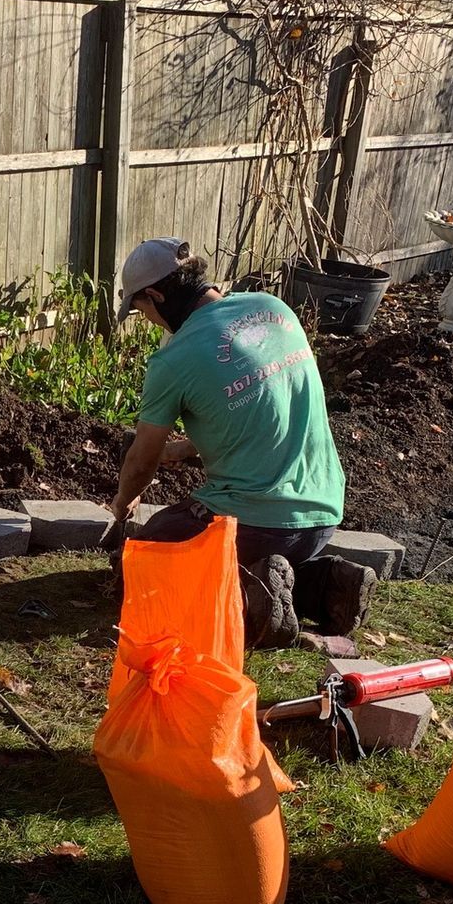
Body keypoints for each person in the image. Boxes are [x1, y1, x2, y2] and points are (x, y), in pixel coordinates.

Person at [107, 237, 375, 641]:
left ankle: (253, 603)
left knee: (142, 561)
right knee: (261, 552)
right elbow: (266, 409)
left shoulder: (174, 360)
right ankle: (325, 585)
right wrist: (183, 449)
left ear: (156, 295)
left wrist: (123, 502)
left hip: (253, 525)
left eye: (141, 309)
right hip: (321, 518)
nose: (148, 320)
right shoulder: (273, 309)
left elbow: (141, 462)